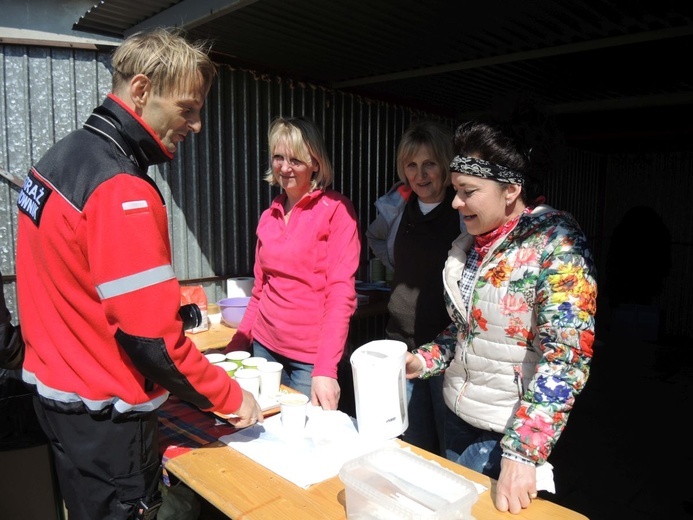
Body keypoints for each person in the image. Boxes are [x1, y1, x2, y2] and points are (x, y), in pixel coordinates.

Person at [15, 28, 262, 520]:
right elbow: (151, 340)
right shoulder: (121, 188)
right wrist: (231, 397)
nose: (195, 125)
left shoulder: (57, 159)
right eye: (187, 109)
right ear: (143, 90)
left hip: (58, 401)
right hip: (106, 418)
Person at [405, 117, 597, 514]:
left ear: (511, 189)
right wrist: (421, 360)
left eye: (468, 191)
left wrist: (524, 453)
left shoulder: (557, 244)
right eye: (455, 191)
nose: (455, 203)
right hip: (459, 416)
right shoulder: (470, 246)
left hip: (506, 434)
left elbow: (567, 357)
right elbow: (465, 333)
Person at [225, 116, 361, 410]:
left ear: (316, 163)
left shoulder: (336, 211)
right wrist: (237, 347)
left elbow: (341, 294)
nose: (284, 168)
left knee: (306, 440)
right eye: (278, 157)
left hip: (309, 359)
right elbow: (260, 290)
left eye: (296, 160)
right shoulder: (268, 216)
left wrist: (326, 369)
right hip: (264, 348)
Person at [365, 120, 465, 455]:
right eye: (411, 165)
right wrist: (397, 263)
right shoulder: (397, 210)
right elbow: (375, 236)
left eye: (429, 164)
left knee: (449, 450)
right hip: (400, 347)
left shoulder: (463, 214)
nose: (420, 175)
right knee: (411, 446)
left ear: (445, 165)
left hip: (447, 354)